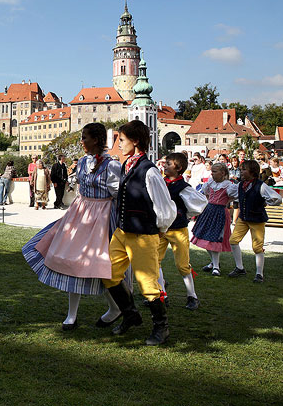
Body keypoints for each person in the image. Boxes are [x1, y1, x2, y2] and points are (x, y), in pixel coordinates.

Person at [22, 123, 122, 331]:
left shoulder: (112, 165)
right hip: (80, 214)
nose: (82, 142)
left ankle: (115, 308)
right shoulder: (84, 162)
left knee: (101, 266)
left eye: (85, 138)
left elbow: (118, 194)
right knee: (70, 260)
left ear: (96, 140)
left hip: (102, 217)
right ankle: (72, 315)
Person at [100, 120, 176, 346]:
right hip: (123, 232)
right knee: (108, 273)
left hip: (143, 234)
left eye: (121, 140)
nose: (118, 144)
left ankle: (161, 328)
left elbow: (165, 206)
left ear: (135, 141)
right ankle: (131, 314)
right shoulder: (128, 165)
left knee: (148, 284)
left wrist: (160, 230)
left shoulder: (149, 170)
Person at [158, 153, 207, 310]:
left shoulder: (183, 187)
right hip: (160, 230)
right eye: (164, 163)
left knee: (182, 265)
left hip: (178, 230)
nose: (164, 166)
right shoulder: (161, 183)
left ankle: (192, 296)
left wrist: (185, 215)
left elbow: (200, 203)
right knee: (154, 261)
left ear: (178, 168)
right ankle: (161, 295)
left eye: (168, 164)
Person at [228, 160, 283, 282]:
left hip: (257, 219)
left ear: (252, 172)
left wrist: (266, 202)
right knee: (233, 240)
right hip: (243, 218)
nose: (241, 172)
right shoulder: (241, 185)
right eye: (241, 169)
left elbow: (277, 198)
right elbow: (232, 193)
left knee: (257, 247)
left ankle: (259, 274)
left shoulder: (261, 186)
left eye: (244, 170)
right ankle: (239, 267)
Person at [191, 163, 238, 277]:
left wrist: (227, 200)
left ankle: (216, 266)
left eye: (215, 171)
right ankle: (213, 263)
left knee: (214, 239)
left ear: (223, 173)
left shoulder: (228, 185)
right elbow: (206, 192)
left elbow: (236, 195)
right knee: (204, 237)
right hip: (209, 211)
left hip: (219, 212)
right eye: (212, 171)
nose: (212, 174)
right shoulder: (211, 183)